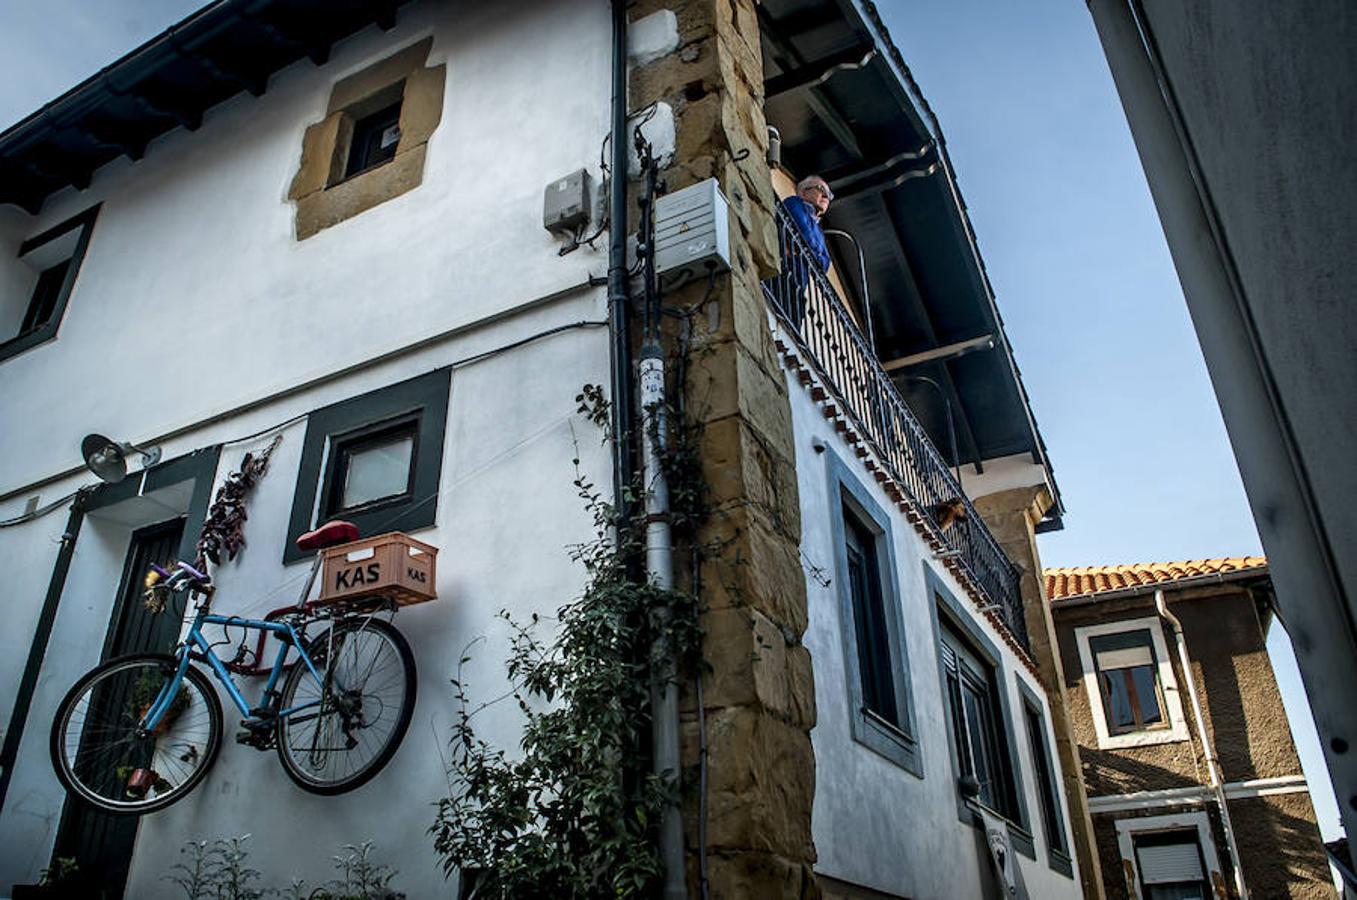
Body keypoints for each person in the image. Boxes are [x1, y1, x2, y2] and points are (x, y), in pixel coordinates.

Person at [777, 175, 833, 328]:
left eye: (829, 194)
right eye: (821, 189)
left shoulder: (820, 232)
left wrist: (802, 250)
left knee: (793, 327)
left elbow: (824, 264)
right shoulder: (794, 202)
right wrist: (811, 252)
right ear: (803, 192)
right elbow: (801, 230)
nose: (826, 197)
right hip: (781, 275)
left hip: (798, 287)